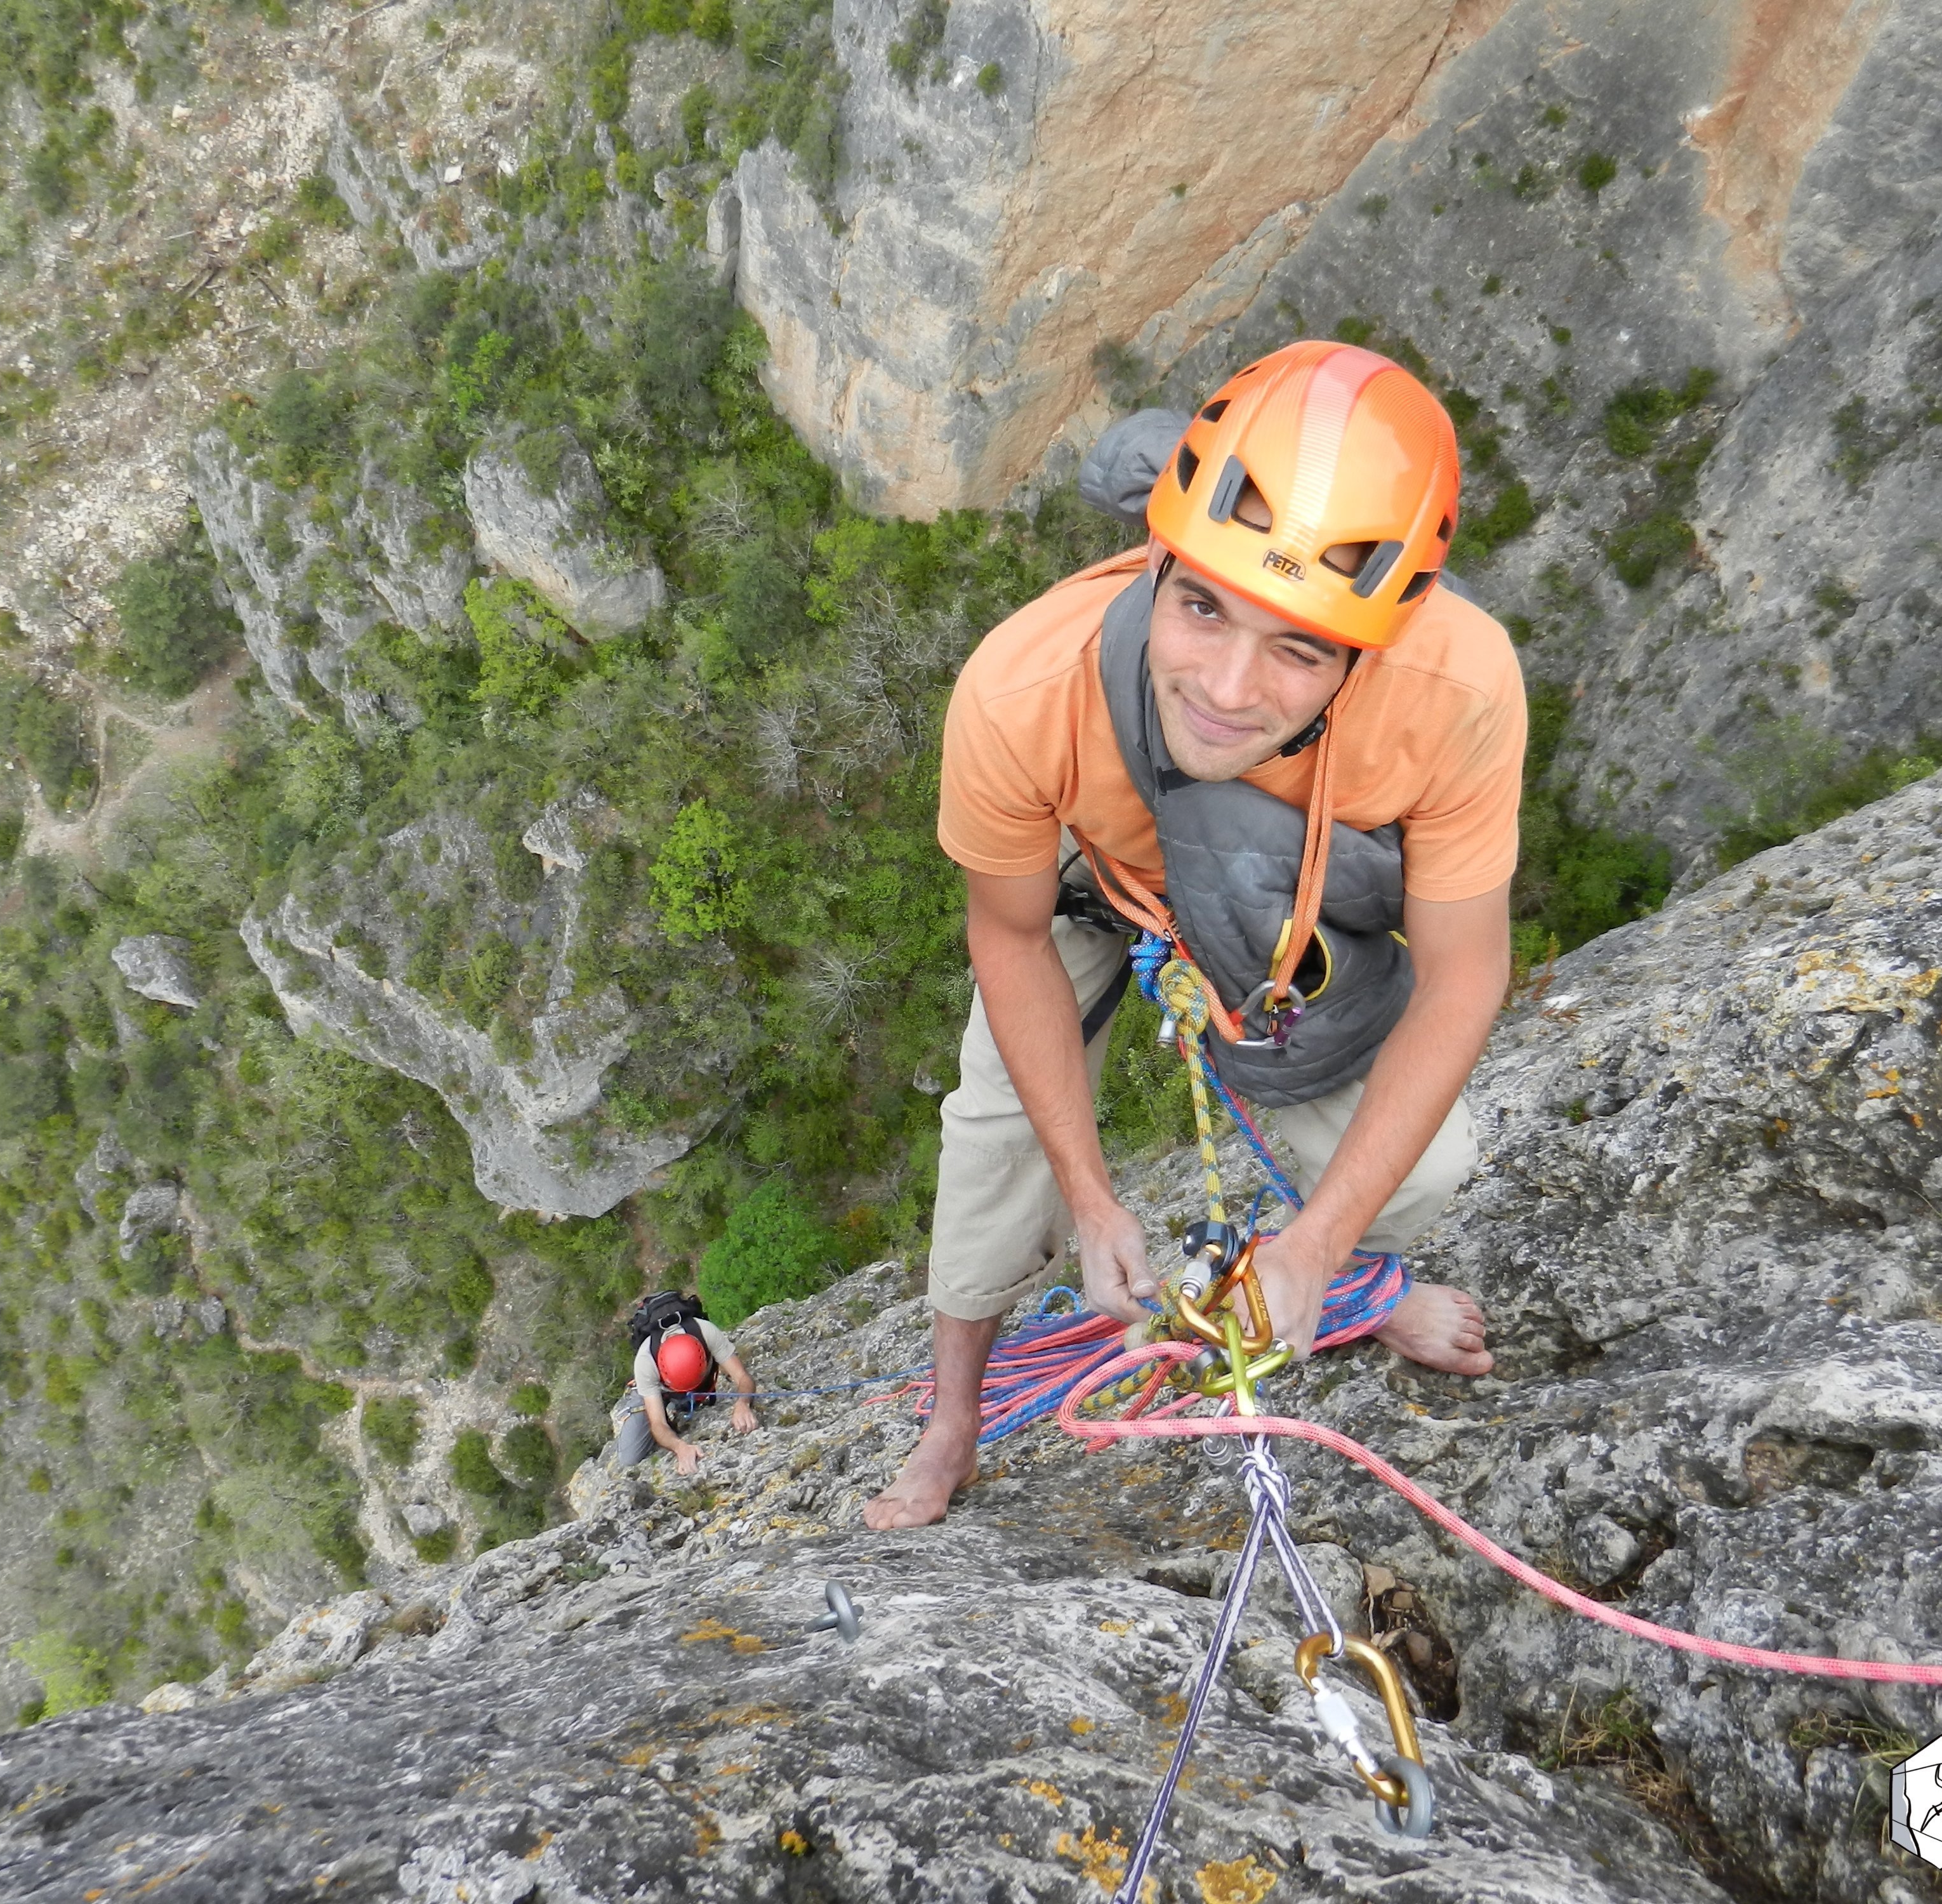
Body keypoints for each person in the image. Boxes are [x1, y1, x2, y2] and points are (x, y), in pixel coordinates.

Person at [865, 341, 1525, 1531]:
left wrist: (1319, 1244)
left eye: (1299, 648)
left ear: (1367, 648)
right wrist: (1093, 1195)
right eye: (1202, 606)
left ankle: (1329, 1291)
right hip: (1089, 879)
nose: (1226, 686)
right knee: (993, 1139)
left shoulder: (1458, 695)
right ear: (1157, 560)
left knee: (1424, 1172)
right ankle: (955, 1416)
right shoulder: (1023, 692)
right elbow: (1009, 938)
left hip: (1271, 899)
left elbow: (1466, 972)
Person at [610, 1297, 759, 1476]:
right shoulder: (646, 1361)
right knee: (629, 1458)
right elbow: (658, 1424)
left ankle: (681, 1402)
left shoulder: (705, 1332)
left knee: (684, 1407)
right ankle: (654, 1403)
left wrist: (743, 1404)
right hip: (655, 1390)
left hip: (692, 1385)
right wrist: (679, 1448)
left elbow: (743, 1378)